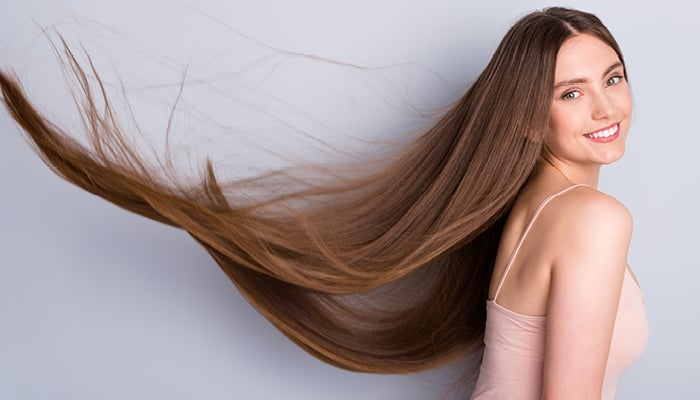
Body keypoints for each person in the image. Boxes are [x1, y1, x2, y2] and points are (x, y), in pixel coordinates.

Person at [0, 6, 647, 399]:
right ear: (525, 119)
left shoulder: (536, 209)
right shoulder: (591, 219)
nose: (605, 107)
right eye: (570, 92)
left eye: (612, 78)